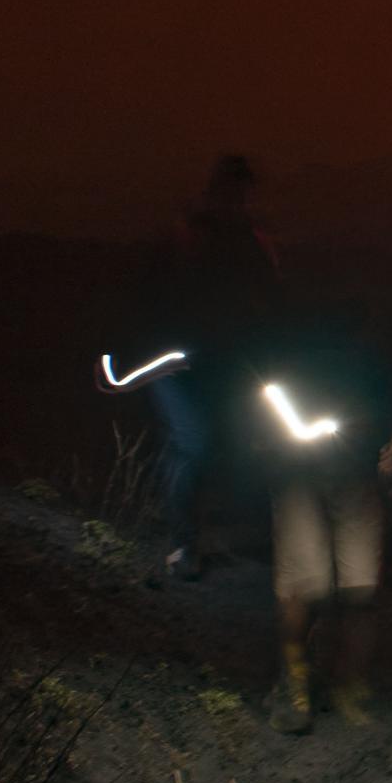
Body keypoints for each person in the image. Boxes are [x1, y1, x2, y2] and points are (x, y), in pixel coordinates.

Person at [254, 297, 392, 735]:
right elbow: (261, 416)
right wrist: (267, 450)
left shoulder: (373, 361)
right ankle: (293, 680)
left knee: (361, 588)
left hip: (357, 474)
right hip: (297, 475)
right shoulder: (286, 359)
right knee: (307, 585)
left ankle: (350, 681)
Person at [133, 154, 283, 581]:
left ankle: (193, 533)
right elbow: (150, 292)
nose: (238, 200)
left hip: (219, 358)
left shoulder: (248, 240)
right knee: (192, 442)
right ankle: (184, 543)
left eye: (242, 194)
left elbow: (269, 299)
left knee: (210, 443)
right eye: (233, 192)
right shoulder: (189, 235)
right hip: (178, 359)